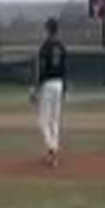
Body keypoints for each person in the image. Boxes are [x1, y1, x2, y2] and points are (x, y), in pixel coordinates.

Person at [36, 16, 68, 166]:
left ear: (48, 29)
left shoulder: (45, 46)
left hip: (48, 84)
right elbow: (65, 68)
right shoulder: (61, 46)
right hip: (59, 84)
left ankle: (52, 148)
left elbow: (42, 69)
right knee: (55, 120)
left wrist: (35, 88)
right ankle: (54, 154)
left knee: (43, 121)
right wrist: (65, 88)